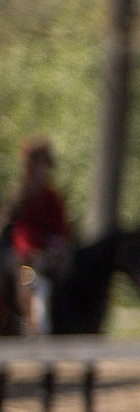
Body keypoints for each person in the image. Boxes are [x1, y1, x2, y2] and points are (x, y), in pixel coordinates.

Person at [4, 135, 73, 333]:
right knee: (30, 282)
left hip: (49, 257)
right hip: (24, 258)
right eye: (37, 164)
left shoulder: (51, 196)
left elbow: (61, 230)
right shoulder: (20, 194)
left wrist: (57, 246)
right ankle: (29, 324)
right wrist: (28, 251)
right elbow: (16, 229)